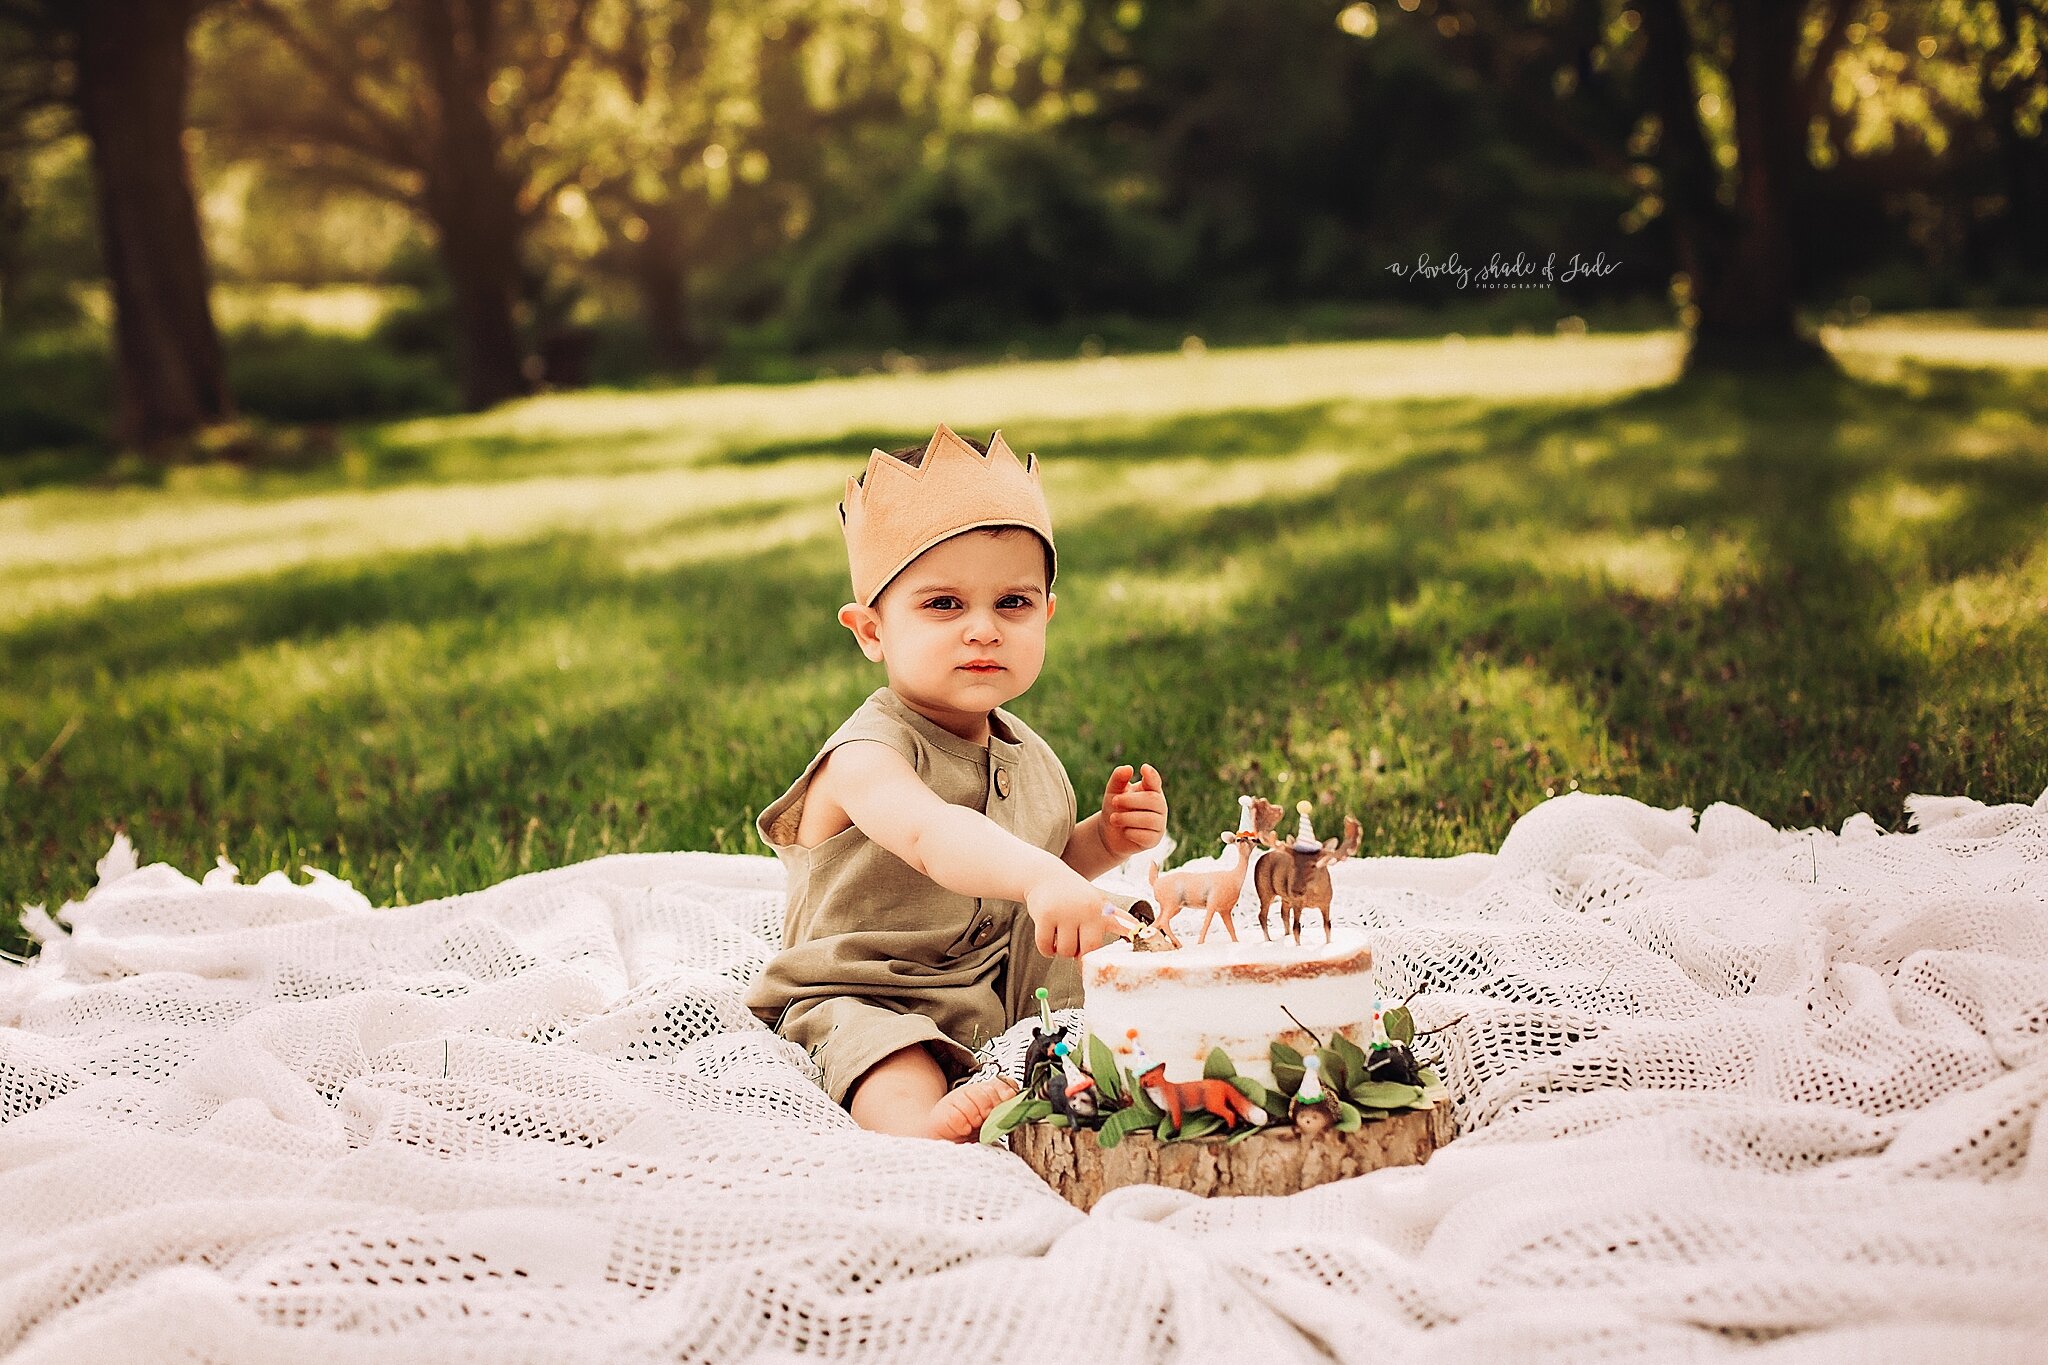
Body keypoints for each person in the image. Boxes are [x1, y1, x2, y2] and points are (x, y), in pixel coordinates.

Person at [745, 423, 1170, 1141]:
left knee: (1122, 964)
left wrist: (1100, 840)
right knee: (889, 1057)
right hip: (867, 989)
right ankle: (919, 1132)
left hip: (986, 987)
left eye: (1013, 603)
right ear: (871, 630)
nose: (983, 629)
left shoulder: (1029, 756)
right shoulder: (866, 756)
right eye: (944, 604)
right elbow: (934, 837)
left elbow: (1039, 869)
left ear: (1047, 615)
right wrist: (1041, 875)